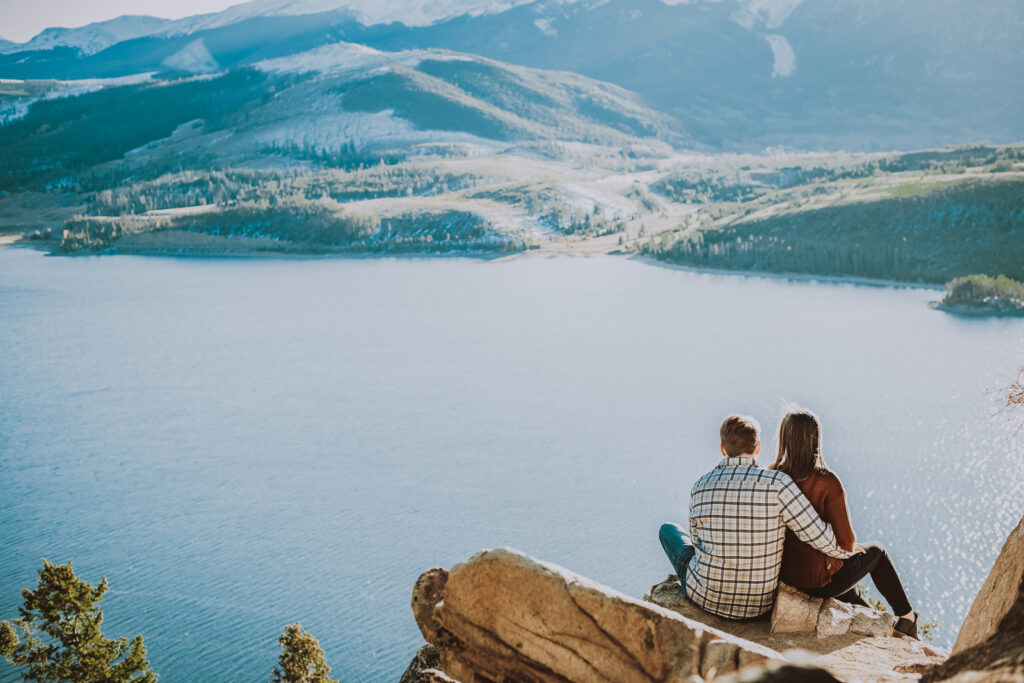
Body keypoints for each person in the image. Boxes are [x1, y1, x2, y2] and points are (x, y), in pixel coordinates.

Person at [659, 414, 853, 621]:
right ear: (757, 447)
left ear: (723, 449)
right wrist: (846, 552)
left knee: (668, 530)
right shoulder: (778, 483)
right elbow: (815, 535)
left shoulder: (700, 486)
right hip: (758, 605)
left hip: (705, 597)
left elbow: (697, 540)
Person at [769, 408, 920, 638]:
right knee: (876, 552)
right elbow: (847, 542)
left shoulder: (772, 475)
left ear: (784, 438)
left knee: (850, 586)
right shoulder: (826, 481)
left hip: (784, 577)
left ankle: (876, 624)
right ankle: (907, 618)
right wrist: (851, 550)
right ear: (815, 439)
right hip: (818, 584)